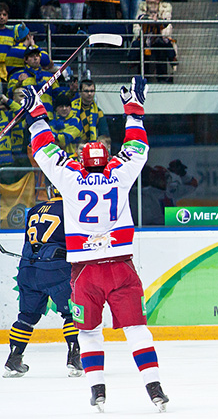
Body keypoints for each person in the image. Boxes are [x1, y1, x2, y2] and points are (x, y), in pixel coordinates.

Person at [23, 77, 169, 411]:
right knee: (137, 330)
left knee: (89, 334)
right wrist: (134, 109)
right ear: (106, 159)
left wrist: (36, 114)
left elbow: (45, 150)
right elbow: (137, 148)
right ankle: (155, 388)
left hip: (85, 273)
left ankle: (97, 391)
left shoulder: (70, 177)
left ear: (82, 161)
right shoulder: (120, 173)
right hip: (121, 269)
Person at [3, 185, 83, 378]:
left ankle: (14, 359)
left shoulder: (34, 210)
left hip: (28, 269)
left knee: (26, 317)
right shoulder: (71, 209)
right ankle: (74, 358)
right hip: (57, 269)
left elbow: (28, 241)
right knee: (71, 313)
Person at [133, 0, 177, 83]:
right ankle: (143, 78)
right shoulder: (142, 8)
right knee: (141, 47)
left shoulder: (165, 9)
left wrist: (158, 21)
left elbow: (167, 25)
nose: (148, 0)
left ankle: (162, 78)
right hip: (144, 38)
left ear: (157, 0)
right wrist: (148, 19)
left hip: (159, 37)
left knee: (162, 47)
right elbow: (137, 24)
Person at [71, 79, 110, 144]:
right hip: (72, 145)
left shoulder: (99, 113)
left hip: (91, 146)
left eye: (92, 91)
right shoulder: (71, 108)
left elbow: (104, 134)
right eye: (86, 91)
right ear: (80, 92)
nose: (89, 94)